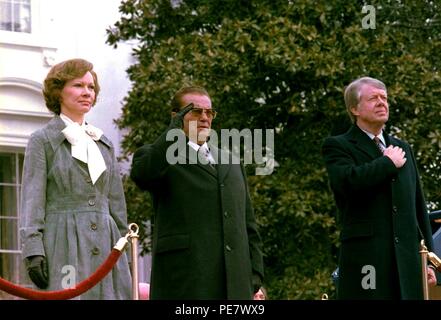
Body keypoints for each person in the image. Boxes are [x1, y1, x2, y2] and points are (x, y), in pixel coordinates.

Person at [130, 86, 264, 299]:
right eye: (195, 111)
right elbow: (143, 174)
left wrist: (255, 274)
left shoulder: (231, 161)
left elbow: (248, 223)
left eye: (209, 112)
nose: (204, 117)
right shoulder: (160, 155)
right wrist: (172, 134)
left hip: (235, 284)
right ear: (176, 116)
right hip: (186, 282)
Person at [20, 58, 131, 299]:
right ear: (59, 91)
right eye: (78, 85)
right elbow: (32, 200)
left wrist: (123, 251)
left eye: (91, 87)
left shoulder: (104, 144)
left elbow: (117, 207)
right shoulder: (42, 140)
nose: (87, 93)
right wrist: (33, 249)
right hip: (63, 242)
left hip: (107, 244)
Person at [322, 76, 436, 299]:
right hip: (366, 260)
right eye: (373, 98)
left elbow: (418, 206)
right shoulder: (338, 146)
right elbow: (348, 183)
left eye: (384, 98)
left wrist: (428, 259)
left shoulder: (403, 148)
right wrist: (387, 163)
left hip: (407, 261)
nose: (382, 103)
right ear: (354, 108)